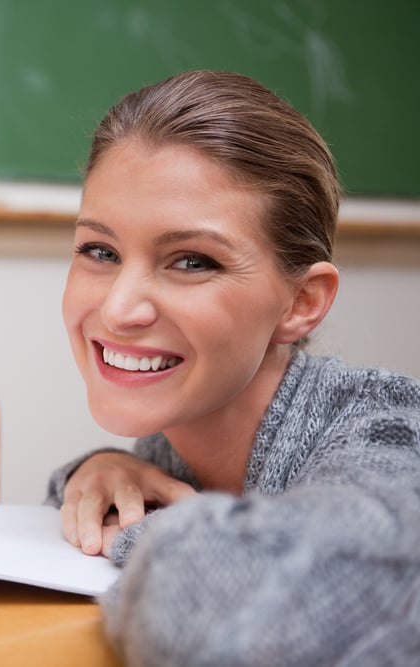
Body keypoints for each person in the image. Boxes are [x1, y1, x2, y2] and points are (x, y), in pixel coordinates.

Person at [45, 70, 420, 665]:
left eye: (191, 261)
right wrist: (95, 471)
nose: (118, 310)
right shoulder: (172, 444)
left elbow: (216, 608)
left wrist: (146, 534)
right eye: (100, 251)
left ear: (302, 302)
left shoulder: (391, 440)